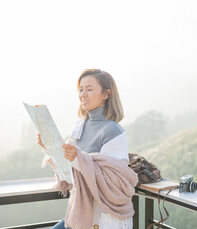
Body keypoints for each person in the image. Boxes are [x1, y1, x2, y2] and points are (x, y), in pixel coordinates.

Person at [37, 69, 138, 229]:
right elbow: (69, 173)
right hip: (80, 216)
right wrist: (49, 148)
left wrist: (77, 157)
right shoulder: (80, 126)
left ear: (106, 94)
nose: (83, 94)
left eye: (89, 89)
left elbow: (114, 183)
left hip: (103, 218)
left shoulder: (113, 131)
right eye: (81, 89)